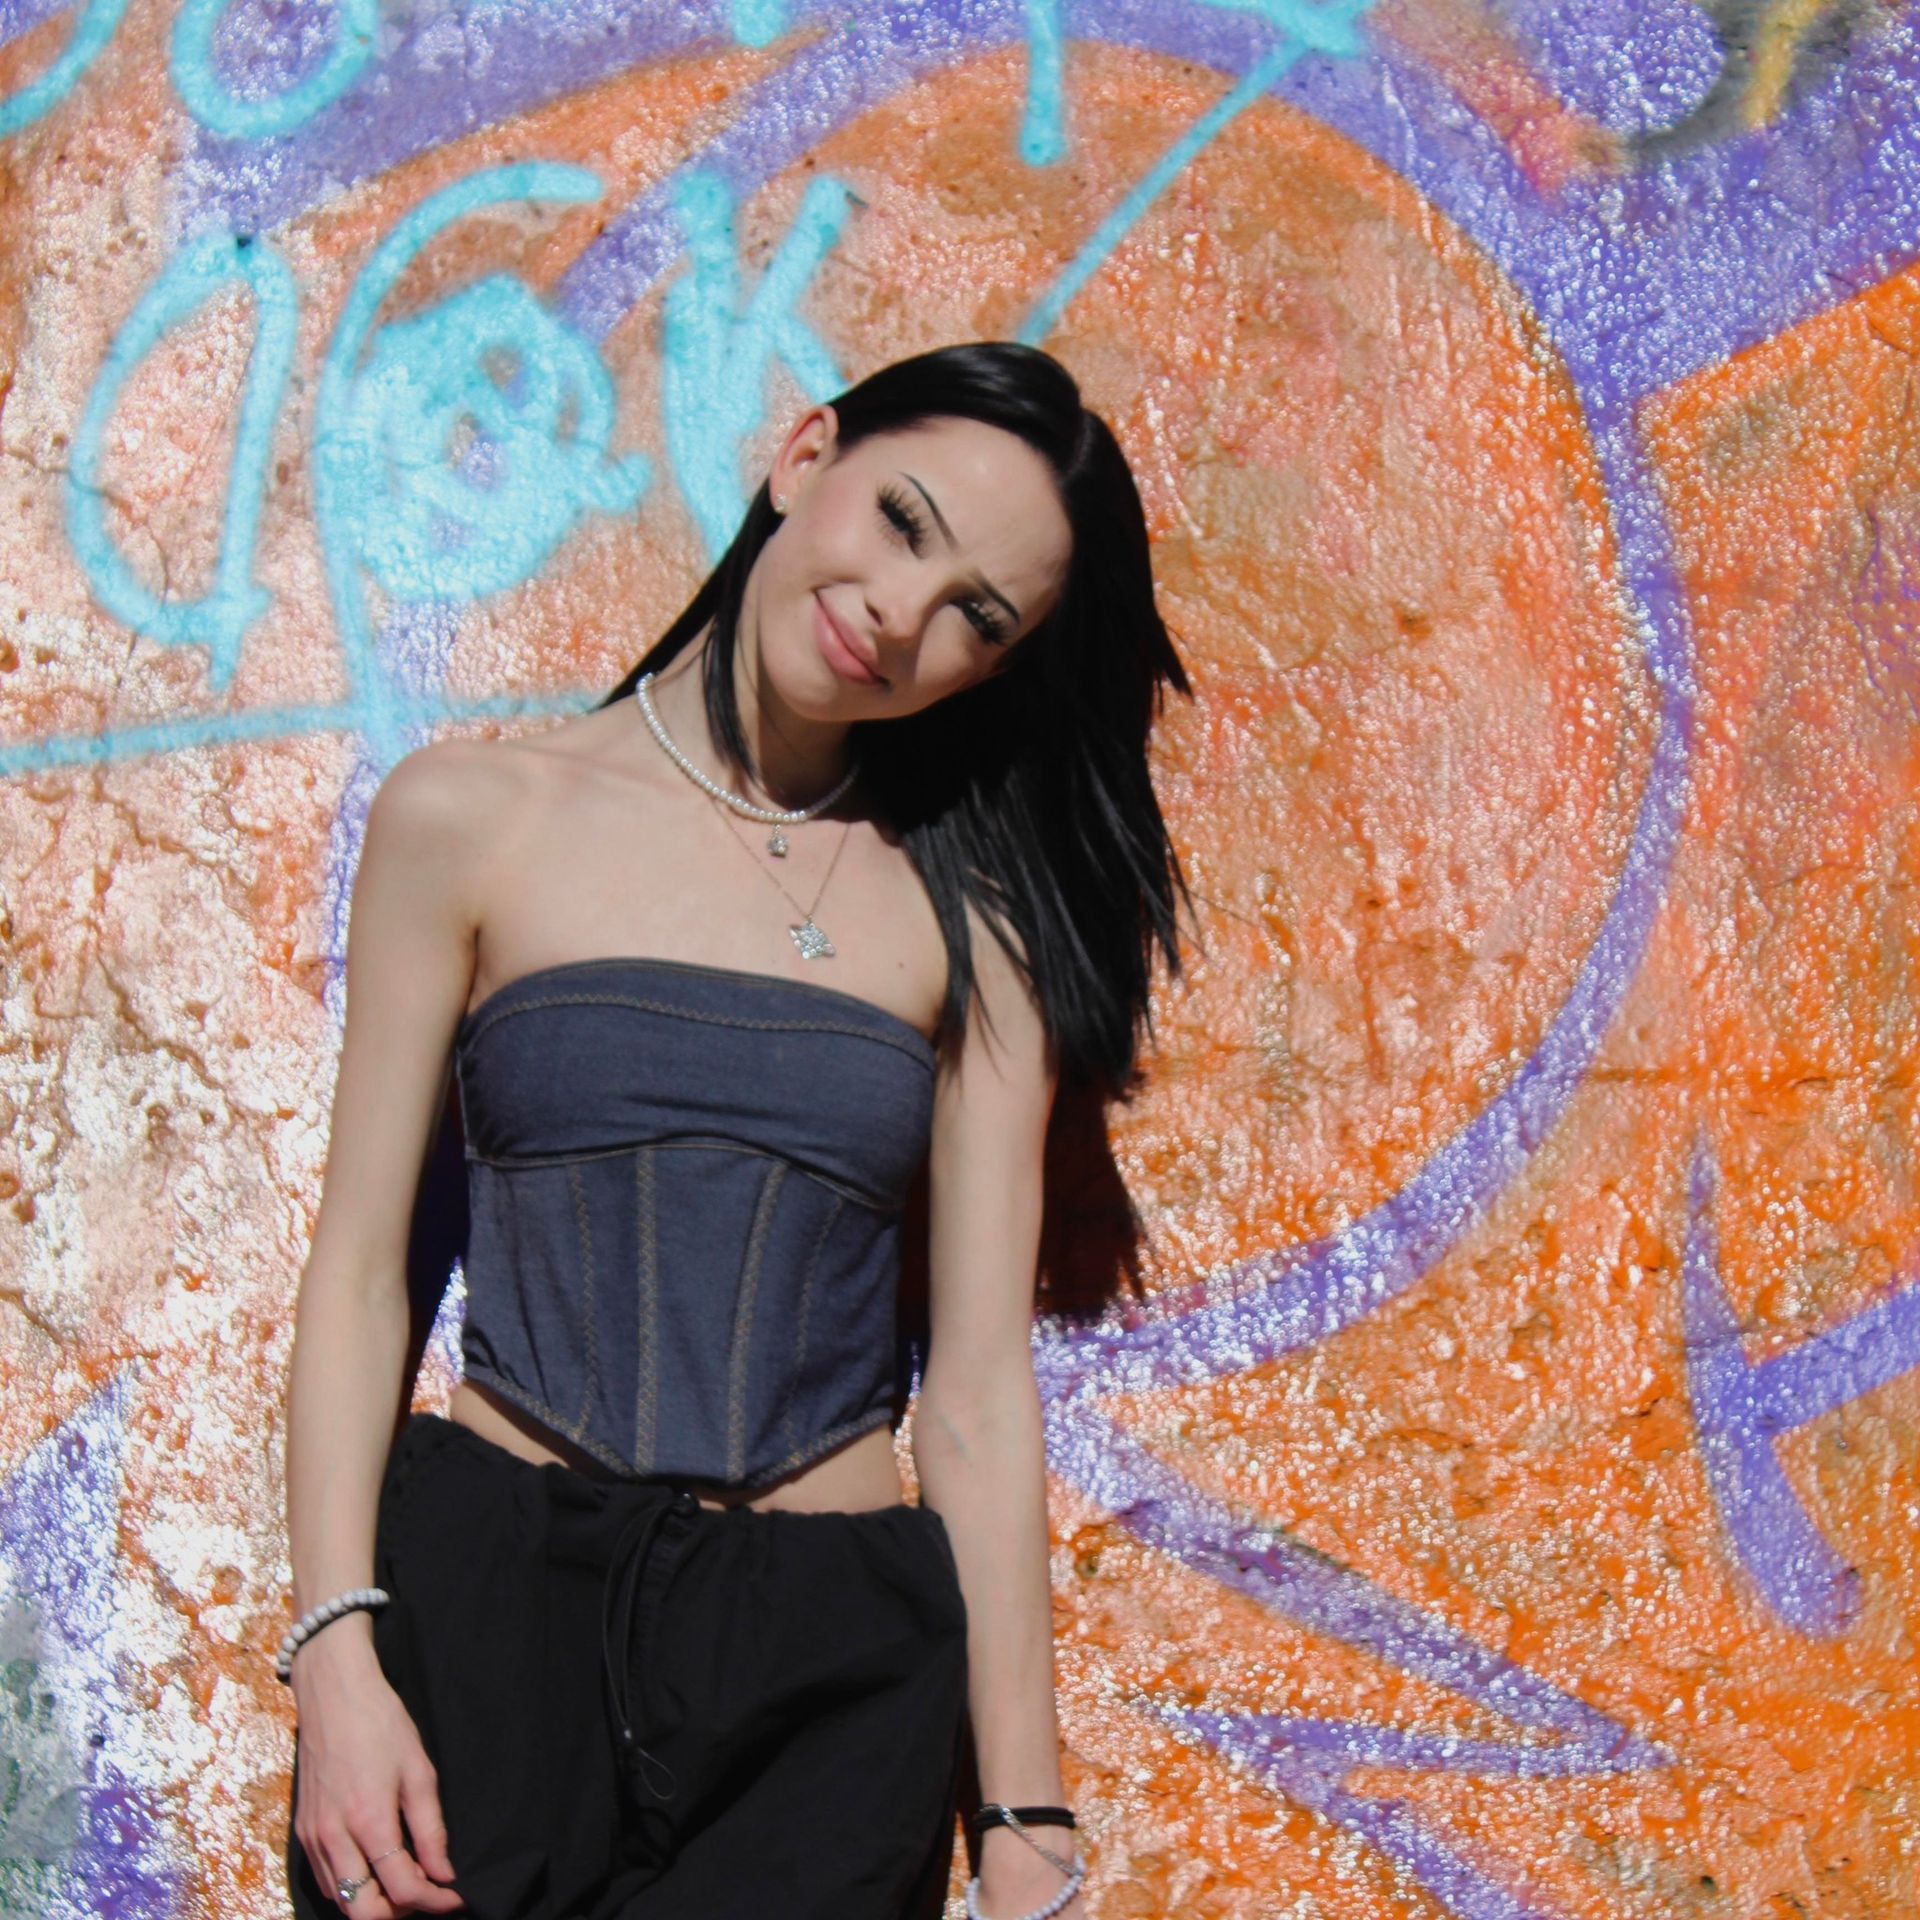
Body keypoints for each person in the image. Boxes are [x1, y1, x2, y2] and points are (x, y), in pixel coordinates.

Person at [279, 339, 1198, 1920]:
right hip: (487, 1623)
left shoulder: (977, 929)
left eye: (976, 614)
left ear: (992, 668)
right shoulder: (469, 819)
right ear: (804, 456)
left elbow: (976, 1397)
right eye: (902, 521)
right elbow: (365, 1277)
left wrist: (1025, 1818)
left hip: (818, 1690)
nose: (900, 613)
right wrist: (336, 1660)